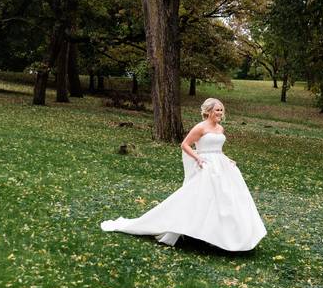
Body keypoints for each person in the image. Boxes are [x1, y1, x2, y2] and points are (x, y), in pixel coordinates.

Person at [101, 98, 266, 251]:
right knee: (202, 198)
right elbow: (185, 145)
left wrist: (228, 159)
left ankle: (222, 234)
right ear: (208, 111)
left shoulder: (220, 128)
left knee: (226, 200)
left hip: (221, 165)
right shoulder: (200, 127)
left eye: (221, 110)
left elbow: (218, 150)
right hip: (206, 165)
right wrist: (198, 158)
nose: (220, 113)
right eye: (217, 110)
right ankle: (193, 231)